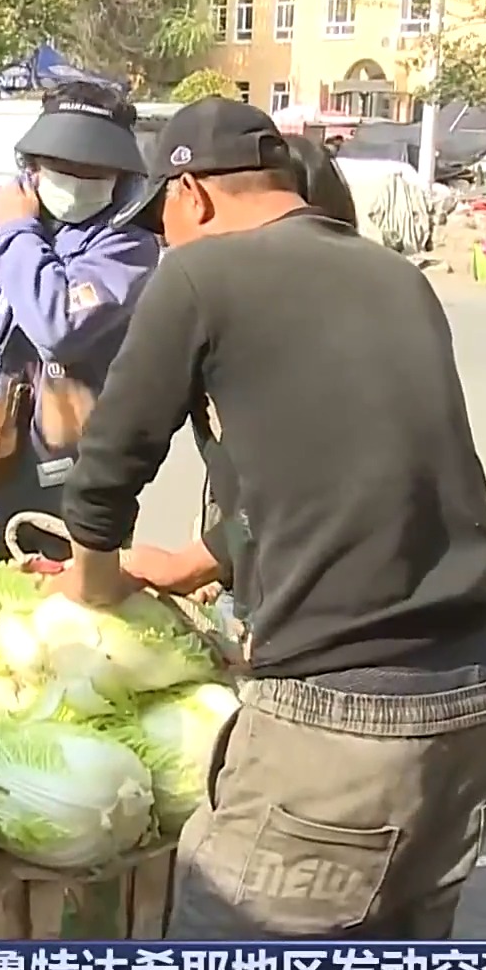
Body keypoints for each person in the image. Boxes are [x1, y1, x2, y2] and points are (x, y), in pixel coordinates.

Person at [58, 99, 486, 939]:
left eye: (161, 222)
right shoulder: (397, 278)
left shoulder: (201, 275)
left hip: (339, 723)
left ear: (191, 194)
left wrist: (92, 587)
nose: (164, 242)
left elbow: (110, 464)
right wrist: (193, 560)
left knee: (227, 960)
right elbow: (354, 474)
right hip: (471, 705)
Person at [0, 81, 160, 562]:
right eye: (63, 168)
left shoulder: (125, 246)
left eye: (93, 172)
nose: (76, 181)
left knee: (67, 607)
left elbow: (57, 328)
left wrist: (18, 229)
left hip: (68, 488)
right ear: (34, 166)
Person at [123, 133, 359, 642]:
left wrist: (200, 560)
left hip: (301, 606)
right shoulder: (231, 308)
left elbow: (299, 490)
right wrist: (215, 552)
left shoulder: (317, 336)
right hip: (249, 572)